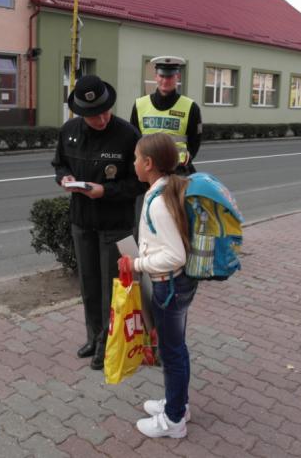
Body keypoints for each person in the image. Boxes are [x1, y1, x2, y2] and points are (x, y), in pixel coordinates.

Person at [52, 75, 145, 370]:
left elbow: (140, 181)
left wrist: (107, 191)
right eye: (94, 115)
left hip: (116, 226)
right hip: (82, 222)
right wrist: (64, 178)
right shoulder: (68, 132)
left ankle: (108, 344)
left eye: (106, 111)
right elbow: (59, 163)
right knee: (89, 286)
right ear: (81, 113)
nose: (102, 119)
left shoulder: (129, 135)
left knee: (113, 289)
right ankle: (93, 337)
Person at [119, 133, 198, 438]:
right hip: (177, 287)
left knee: (172, 352)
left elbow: (174, 254)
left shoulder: (158, 202)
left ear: (148, 163)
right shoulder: (164, 189)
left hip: (170, 289)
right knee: (177, 349)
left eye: (136, 158)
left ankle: (174, 420)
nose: (134, 163)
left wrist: (134, 264)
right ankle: (179, 403)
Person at [130, 55, 202, 176]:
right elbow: (133, 139)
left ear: (177, 77)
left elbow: (195, 142)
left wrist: (185, 161)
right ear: (156, 77)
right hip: (148, 173)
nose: (165, 81)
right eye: (162, 76)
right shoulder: (139, 105)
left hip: (177, 173)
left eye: (169, 76)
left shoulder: (191, 107)